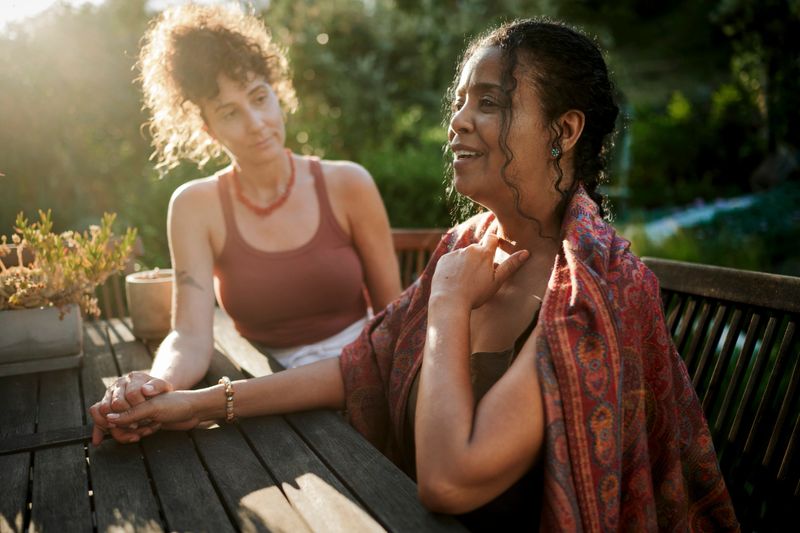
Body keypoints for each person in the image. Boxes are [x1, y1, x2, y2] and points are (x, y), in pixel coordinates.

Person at [91, 18, 739, 531]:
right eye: (459, 102)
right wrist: (193, 404)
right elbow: (362, 365)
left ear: (564, 130)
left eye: (489, 102)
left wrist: (451, 305)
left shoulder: (588, 287)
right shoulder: (468, 243)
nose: (456, 120)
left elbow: (448, 480)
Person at [92, 4, 402, 441]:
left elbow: (395, 322)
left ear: (277, 92)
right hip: (269, 389)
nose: (256, 124)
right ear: (208, 129)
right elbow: (190, 335)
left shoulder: (348, 183)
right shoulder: (195, 206)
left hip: (362, 373)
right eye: (229, 112)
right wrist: (155, 384)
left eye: (259, 98)